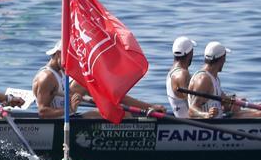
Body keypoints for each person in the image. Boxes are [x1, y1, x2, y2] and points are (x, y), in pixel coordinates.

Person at [34, 40, 165, 118]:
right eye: (68, 58)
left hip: (68, 118)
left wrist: (150, 107)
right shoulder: (47, 77)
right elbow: (42, 112)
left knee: (119, 111)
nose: (71, 63)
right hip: (61, 124)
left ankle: (147, 109)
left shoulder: (62, 73)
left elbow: (115, 97)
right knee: (122, 116)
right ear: (57, 54)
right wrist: (70, 110)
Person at [165, 36, 195, 117]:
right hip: (191, 123)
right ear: (190, 53)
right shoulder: (182, 74)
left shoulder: (171, 72)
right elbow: (193, 105)